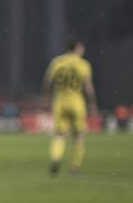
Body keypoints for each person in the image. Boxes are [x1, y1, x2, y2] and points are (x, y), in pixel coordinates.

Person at [42, 39, 98, 176]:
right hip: (76, 101)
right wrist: (92, 103)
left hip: (60, 101)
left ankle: (56, 158)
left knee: (59, 135)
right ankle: (74, 167)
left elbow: (47, 82)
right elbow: (88, 86)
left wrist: (46, 98)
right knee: (78, 136)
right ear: (77, 48)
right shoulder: (83, 64)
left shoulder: (57, 62)